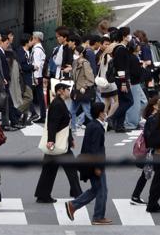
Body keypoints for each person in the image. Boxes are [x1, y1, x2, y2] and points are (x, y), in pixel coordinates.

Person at [64, 95, 112, 224]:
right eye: (104, 111)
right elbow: (95, 148)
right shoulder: (97, 128)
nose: (106, 113)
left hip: (89, 162)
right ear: (100, 113)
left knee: (96, 189)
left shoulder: (92, 125)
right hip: (95, 163)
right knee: (102, 190)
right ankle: (98, 216)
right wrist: (97, 166)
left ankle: (73, 205)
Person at [34, 81, 81, 203]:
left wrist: (70, 139)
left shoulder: (60, 103)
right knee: (71, 168)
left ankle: (42, 195)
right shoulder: (57, 104)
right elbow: (53, 124)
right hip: (58, 142)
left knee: (49, 170)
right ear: (60, 90)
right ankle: (77, 193)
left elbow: (64, 124)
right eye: (67, 89)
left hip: (60, 141)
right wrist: (51, 141)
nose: (68, 92)